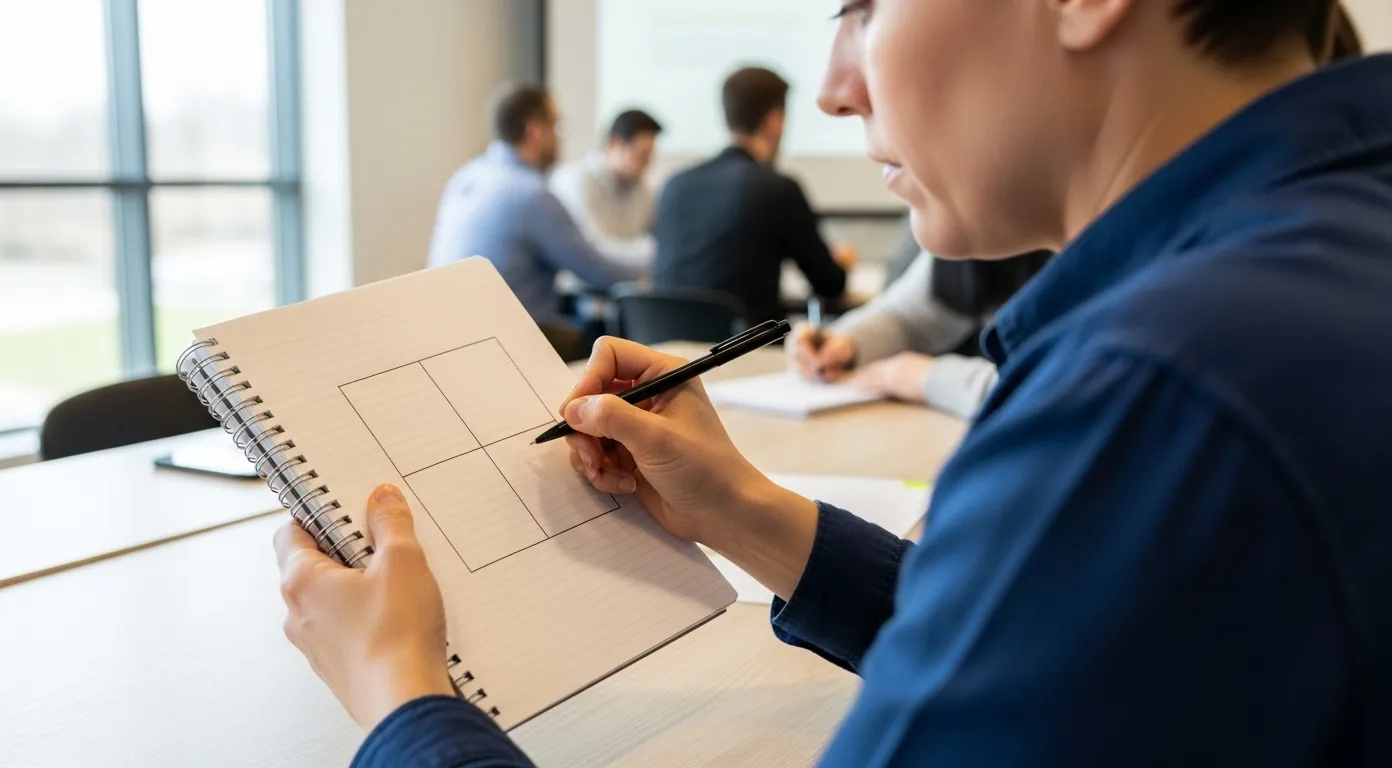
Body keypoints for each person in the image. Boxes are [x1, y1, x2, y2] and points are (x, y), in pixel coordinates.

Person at [277, 1, 1392, 765]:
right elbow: (1092, 651)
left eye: (864, 5)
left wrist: (403, 698)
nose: (832, 87)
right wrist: (747, 512)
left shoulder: (1161, 390)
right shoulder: (1322, 259)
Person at [427, 84, 644, 358]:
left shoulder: (467, 176)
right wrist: (661, 259)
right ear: (535, 131)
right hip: (508, 342)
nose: (560, 138)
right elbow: (598, 269)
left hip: (449, 336)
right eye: (558, 127)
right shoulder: (531, 194)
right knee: (614, 351)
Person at [651, 67, 851, 324]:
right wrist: (842, 263)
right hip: (745, 356)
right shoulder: (778, 188)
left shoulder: (674, 186)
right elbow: (830, 284)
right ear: (774, 121)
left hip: (667, 355)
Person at [790, 249, 1050, 420]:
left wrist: (926, 377)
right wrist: (847, 344)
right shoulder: (968, 229)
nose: (880, 161)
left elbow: (1053, 396)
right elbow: (907, 316)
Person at [548, 109, 663, 270]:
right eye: (641, 156)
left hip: (625, 285)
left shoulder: (643, 191)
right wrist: (651, 250)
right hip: (581, 288)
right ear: (615, 144)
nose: (646, 165)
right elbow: (593, 250)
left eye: (650, 156)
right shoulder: (575, 181)